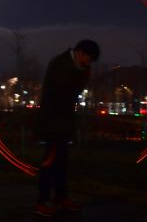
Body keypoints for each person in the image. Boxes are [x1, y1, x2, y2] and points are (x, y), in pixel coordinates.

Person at [34, 39, 100, 217]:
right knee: (50, 162)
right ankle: (42, 201)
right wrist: (82, 71)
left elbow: (76, 90)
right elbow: (65, 88)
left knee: (62, 162)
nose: (88, 63)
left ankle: (60, 198)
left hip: (64, 123)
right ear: (79, 52)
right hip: (52, 123)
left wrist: (83, 71)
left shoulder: (78, 68)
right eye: (88, 58)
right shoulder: (60, 63)